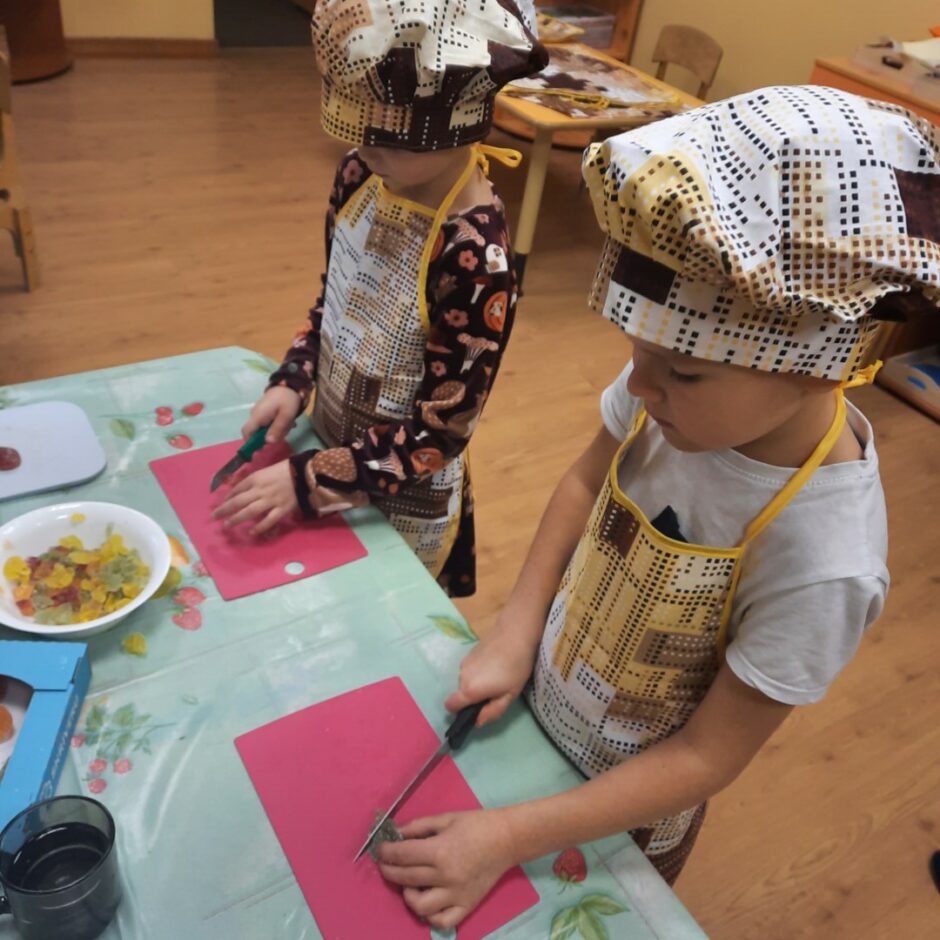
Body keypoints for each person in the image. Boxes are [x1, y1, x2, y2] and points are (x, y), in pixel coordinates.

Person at [375, 85, 940, 928]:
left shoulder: (827, 561)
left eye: (680, 373)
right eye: (637, 353)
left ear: (821, 365)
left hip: (622, 820)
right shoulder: (673, 386)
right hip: (541, 708)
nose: (639, 387)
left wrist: (507, 837)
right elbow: (582, 484)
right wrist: (518, 630)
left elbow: (708, 757)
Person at [215, 0, 546, 596]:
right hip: (326, 441)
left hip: (400, 500)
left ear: (461, 122)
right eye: (355, 131)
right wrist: (295, 377)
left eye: (386, 139)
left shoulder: (477, 260)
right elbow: (334, 300)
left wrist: (310, 478)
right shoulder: (359, 174)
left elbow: (440, 433)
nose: (365, 150)